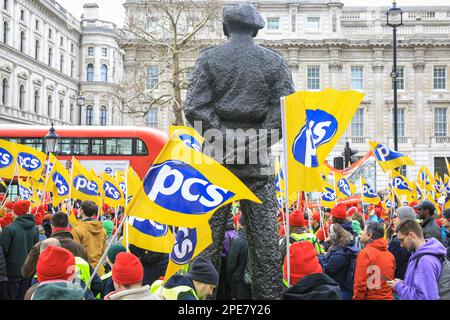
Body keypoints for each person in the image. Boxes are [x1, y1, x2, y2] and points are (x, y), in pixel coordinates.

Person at [387, 218, 447, 300]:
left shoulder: (425, 261)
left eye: (402, 240)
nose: (401, 245)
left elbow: (425, 297)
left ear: (411, 235)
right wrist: (403, 284)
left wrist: (399, 286)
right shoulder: (419, 254)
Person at [21, 212, 88, 279]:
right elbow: (86, 270)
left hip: (46, 286)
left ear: (51, 226)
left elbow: (26, 272)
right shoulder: (79, 248)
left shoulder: (40, 246)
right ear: (67, 225)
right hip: (72, 286)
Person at [0, 200, 39, 300]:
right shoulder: (35, 229)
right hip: (28, 271)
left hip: (11, 272)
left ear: (15, 212)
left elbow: (2, 250)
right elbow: (36, 250)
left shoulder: (10, 229)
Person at [353, 221, 395, 300]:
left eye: (364, 230)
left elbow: (360, 284)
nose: (361, 232)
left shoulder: (365, 253)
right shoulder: (390, 255)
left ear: (370, 235)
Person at [151, 256, 219, 300]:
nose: (211, 293)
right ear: (202, 281)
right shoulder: (187, 296)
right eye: (211, 287)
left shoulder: (159, 284)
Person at [320, 223, 359, 300]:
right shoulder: (345, 245)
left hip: (341, 289)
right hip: (343, 286)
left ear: (334, 236)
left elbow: (328, 269)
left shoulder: (340, 252)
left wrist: (320, 259)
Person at [71, 200, 106, 276]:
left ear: (82, 211)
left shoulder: (77, 230)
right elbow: (104, 251)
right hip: (99, 269)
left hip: (84, 270)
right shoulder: (102, 229)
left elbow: (76, 254)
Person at [227, 214, 252, 300]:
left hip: (240, 282)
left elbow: (231, 263)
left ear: (239, 224)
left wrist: (230, 278)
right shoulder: (257, 239)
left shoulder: (237, 240)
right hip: (253, 281)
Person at [388, 206, 415, 281]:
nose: (393, 219)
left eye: (395, 216)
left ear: (403, 219)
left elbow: (391, 265)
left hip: (398, 283)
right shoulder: (413, 235)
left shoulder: (399, 241)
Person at [217, 214, 239, 300]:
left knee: (223, 287)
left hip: (224, 266)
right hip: (234, 267)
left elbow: (225, 253)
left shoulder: (224, 235)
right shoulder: (236, 233)